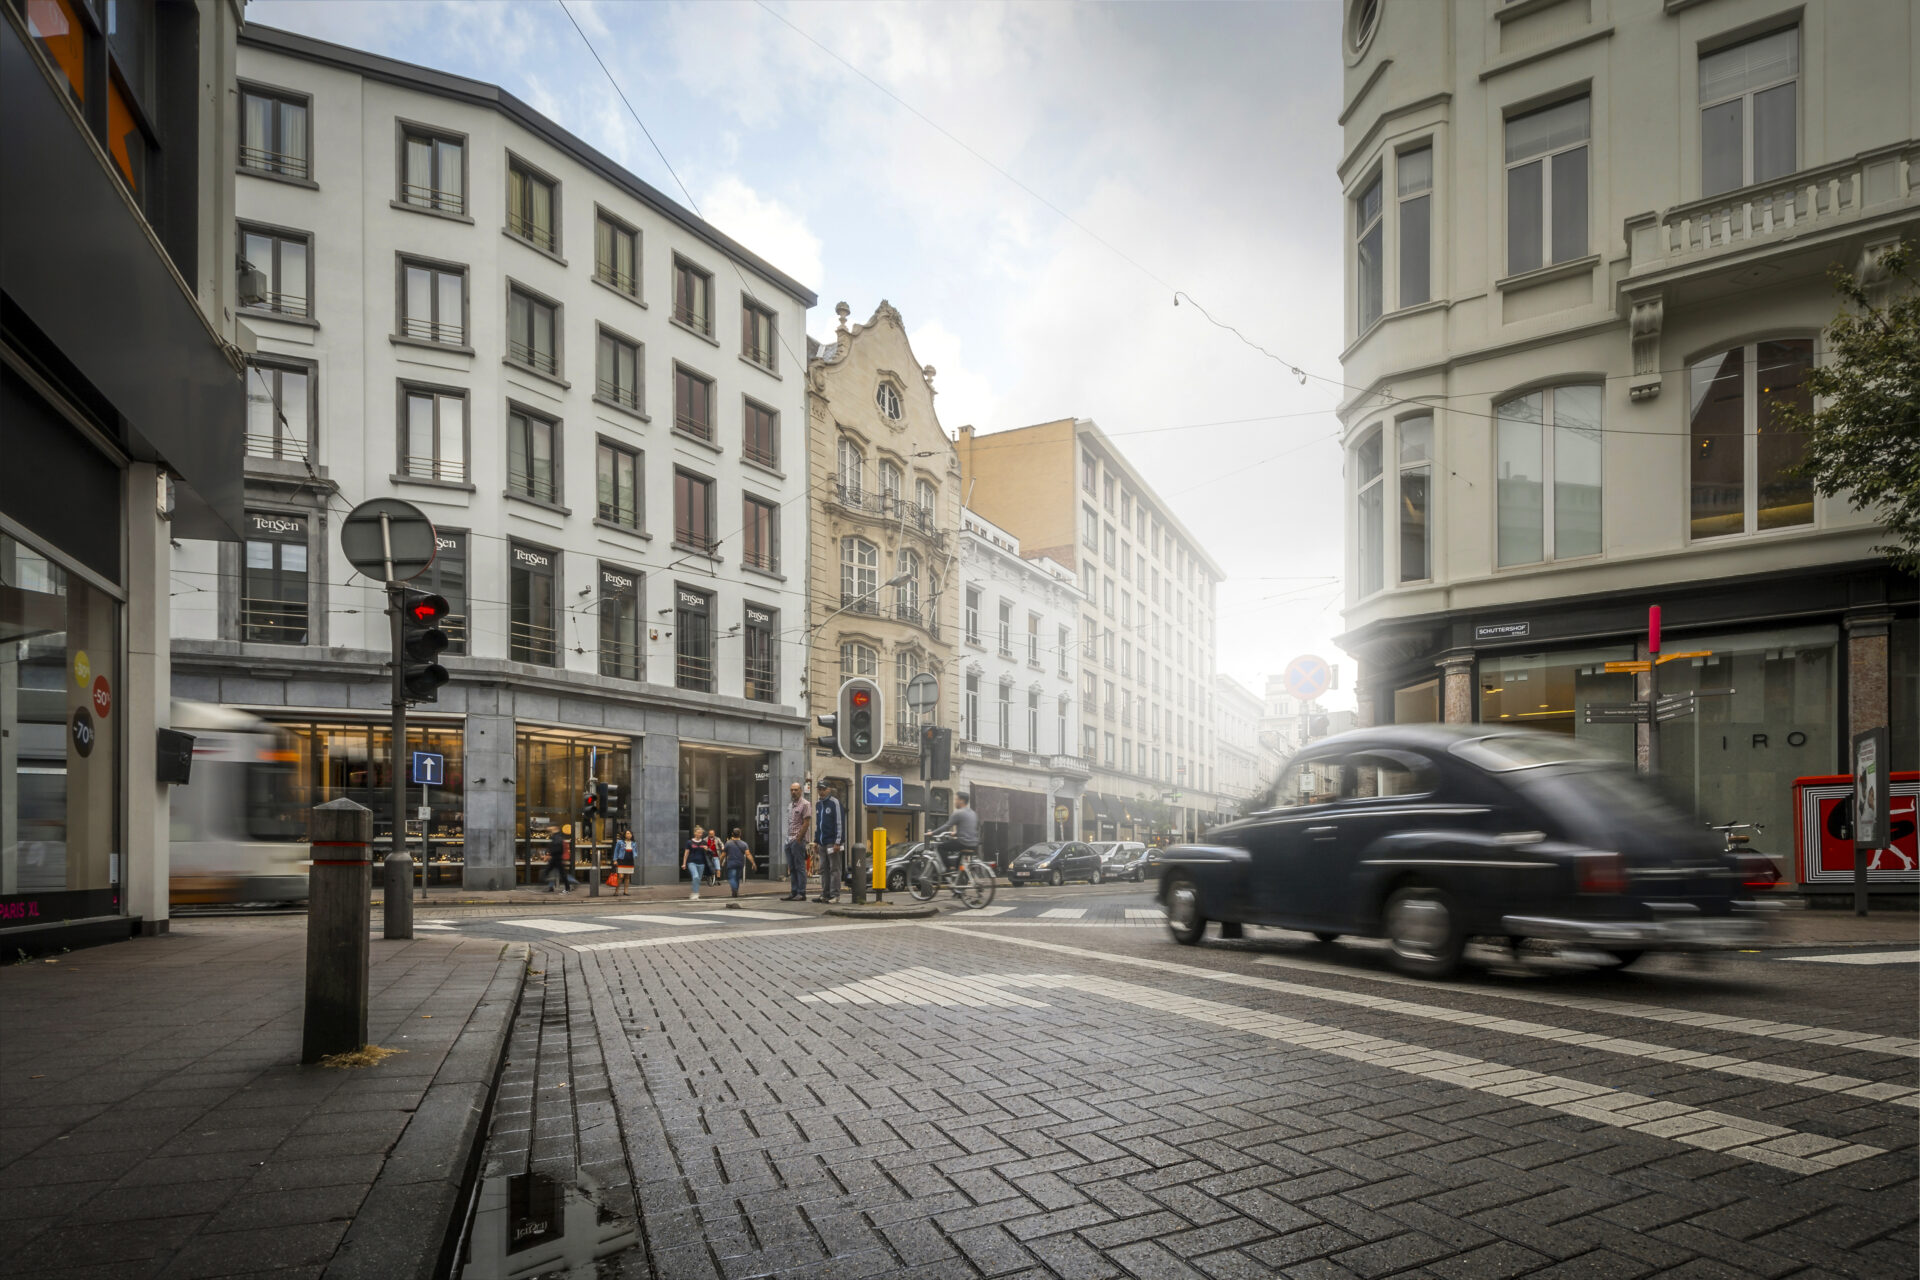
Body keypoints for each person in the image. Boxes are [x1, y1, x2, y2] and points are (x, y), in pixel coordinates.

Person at [926, 794, 979, 871]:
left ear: (961, 801)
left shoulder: (958, 813)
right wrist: (956, 833)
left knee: (941, 847)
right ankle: (958, 874)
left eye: (956, 799)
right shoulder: (973, 813)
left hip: (963, 842)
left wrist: (932, 833)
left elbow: (946, 826)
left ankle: (949, 868)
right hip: (974, 844)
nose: (955, 802)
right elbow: (970, 828)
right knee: (960, 858)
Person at [812, 781, 845, 903]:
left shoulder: (834, 803)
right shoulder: (818, 804)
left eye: (823, 789)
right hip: (822, 842)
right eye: (819, 789)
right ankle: (825, 894)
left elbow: (839, 823)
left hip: (832, 842)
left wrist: (838, 841)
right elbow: (818, 824)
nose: (820, 791)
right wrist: (816, 840)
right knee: (823, 869)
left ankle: (835, 895)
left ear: (828, 790)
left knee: (834, 869)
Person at [782, 781, 812, 900]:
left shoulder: (805, 804)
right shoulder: (791, 805)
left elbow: (806, 823)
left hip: (798, 840)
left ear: (800, 791)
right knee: (792, 867)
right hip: (789, 840)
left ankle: (801, 892)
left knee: (799, 867)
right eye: (792, 790)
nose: (793, 792)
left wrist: (799, 839)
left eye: (796, 790)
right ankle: (794, 892)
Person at [721, 827, 755, 901]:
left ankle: (734, 890)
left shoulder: (728, 843)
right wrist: (753, 863)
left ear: (732, 834)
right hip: (740, 864)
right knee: (736, 878)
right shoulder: (744, 844)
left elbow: (723, 855)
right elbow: (748, 854)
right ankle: (736, 890)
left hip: (731, 863)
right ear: (740, 834)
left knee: (731, 878)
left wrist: (720, 862)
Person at [682, 825, 716, 900]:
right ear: (695, 833)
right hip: (691, 862)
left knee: (698, 879)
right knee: (695, 876)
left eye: (701, 833)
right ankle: (695, 893)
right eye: (698, 833)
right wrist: (684, 863)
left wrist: (707, 849)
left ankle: (695, 893)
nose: (700, 834)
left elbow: (710, 853)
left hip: (702, 863)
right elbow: (686, 853)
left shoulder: (704, 842)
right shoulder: (689, 842)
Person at [544, 823, 574, 893]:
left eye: (550, 826)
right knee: (549, 872)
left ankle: (568, 887)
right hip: (555, 858)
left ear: (555, 827)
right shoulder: (555, 836)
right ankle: (551, 887)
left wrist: (550, 855)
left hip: (557, 858)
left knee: (561, 874)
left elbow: (557, 848)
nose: (549, 828)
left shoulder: (558, 836)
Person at [611, 828, 636, 896]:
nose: (629, 835)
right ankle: (616, 891)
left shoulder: (633, 843)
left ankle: (626, 891)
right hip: (622, 860)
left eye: (630, 833)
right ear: (624, 835)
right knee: (620, 876)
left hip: (630, 860)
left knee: (627, 877)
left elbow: (634, 851)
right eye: (627, 833)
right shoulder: (620, 842)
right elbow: (616, 851)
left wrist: (635, 855)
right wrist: (615, 860)